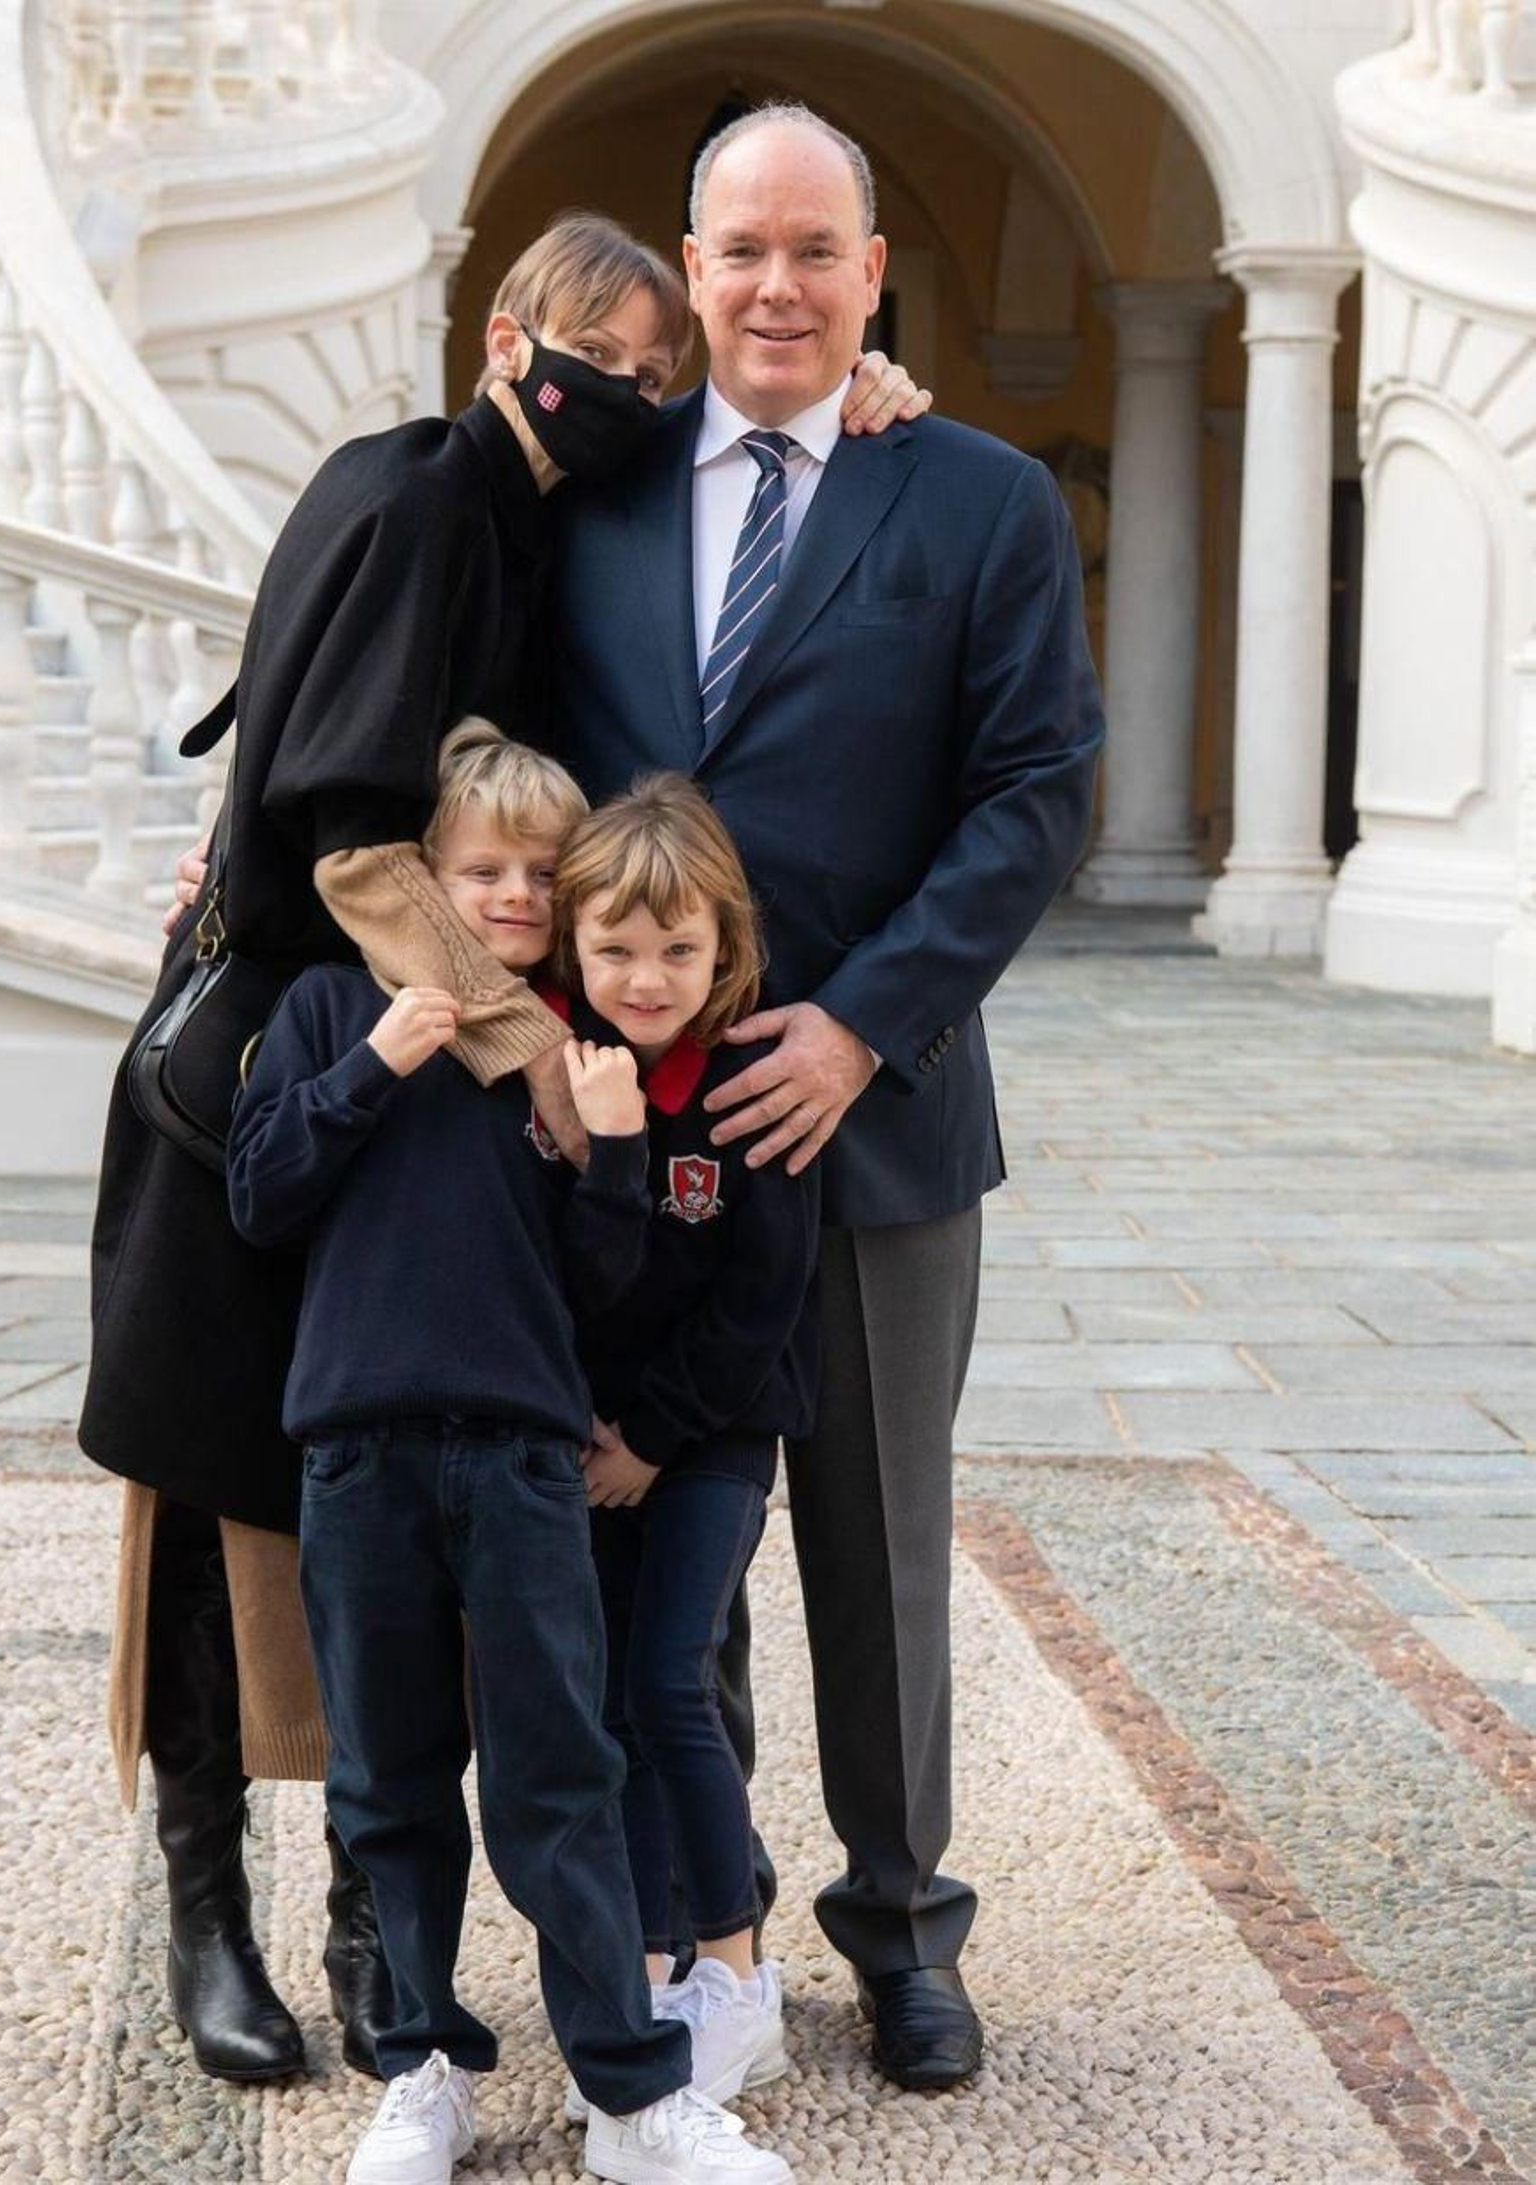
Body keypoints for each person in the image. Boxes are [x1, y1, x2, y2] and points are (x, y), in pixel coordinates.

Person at [84, 208, 923, 2084]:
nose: (624, 395)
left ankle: (385, 1920)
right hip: (295, 1070)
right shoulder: (405, 499)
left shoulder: (542, 519)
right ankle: (207, 1909)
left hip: (430, 1103)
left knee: (392, 1507)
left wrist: (867, 400)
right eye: (595, 360)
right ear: (498, 338)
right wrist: (537, 1047)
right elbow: (355, 842)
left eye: (653, 373)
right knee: (222, 1497)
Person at [543, 105, 1107, 2090]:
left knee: (876, 1553)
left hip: (874, 1127)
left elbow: (1034, 789)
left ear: (875, 274)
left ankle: (900, 1926)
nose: (774, 286)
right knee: (658, 1536)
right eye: (738, 250)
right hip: (634, 1138)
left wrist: (861, 1020)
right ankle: (710, 1929)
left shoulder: (969, 499)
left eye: (813, 251)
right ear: (685, 274)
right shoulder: (585, 498)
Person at [227, 723, 794, 2185]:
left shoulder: (567, 1056)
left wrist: (610, 1151)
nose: (512, 896)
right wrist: (368, 1065)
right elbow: (258, 1195)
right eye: (482, 867)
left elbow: (602, 1288)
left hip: (527, 1457)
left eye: (542, 872)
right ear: (430, 867)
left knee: (561, 1778)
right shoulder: (324, 1006)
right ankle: (422, 2067)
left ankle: (632, 2094)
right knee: (390, 1779)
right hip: (356, 1447)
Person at [547, 778, 818, 2116]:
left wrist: (656, 1435)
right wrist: (605, 1146)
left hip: (711, 1434)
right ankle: (651, 1956)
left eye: (678, 949)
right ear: (570, 946)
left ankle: (737, 1967)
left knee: (671, 1681)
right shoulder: (563, 1078)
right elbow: (573, 1284)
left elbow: (765, 1294)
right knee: (604, 1699)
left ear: (728, 947)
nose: (646, 978)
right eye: (615, 949)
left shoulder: (749, 1081)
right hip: (592, 1442)